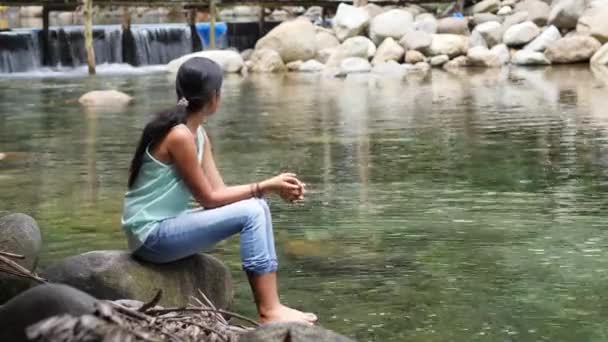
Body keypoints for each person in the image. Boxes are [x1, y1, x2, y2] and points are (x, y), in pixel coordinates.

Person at [121, 57, 317, 325]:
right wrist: (265, 186)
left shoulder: (197, 134)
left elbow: (219, 191)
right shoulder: (179, 136)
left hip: (163, 229)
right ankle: (269, 310)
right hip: (151, 236)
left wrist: (269, 189)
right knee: (253, 210)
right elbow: (209, 200)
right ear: (214, 97)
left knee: (256, 206)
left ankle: (273, 306)